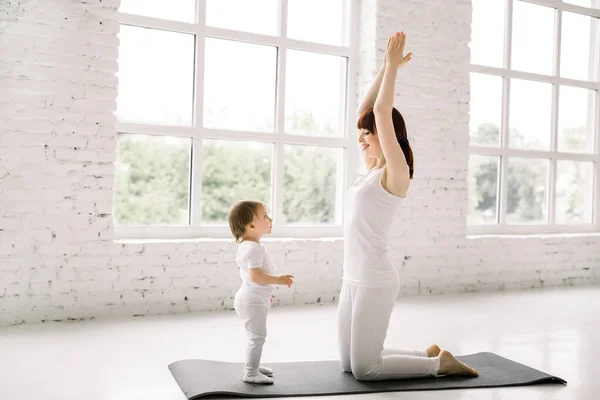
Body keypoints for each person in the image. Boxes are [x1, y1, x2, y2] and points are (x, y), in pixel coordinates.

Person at [337, 31, 479, 381]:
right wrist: (386, 70)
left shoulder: (395, 172)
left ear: (385, 136)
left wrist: (392, 68)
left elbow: (382, 111)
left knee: (366, 370)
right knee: (347, 366)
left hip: (375, 279)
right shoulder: (369, 171)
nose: (360, 139)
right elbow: (366, 111)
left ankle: (438, 365)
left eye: (367, 135)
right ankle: (427, 352)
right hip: (350, 278)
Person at [228, 200, 294, 384]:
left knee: (254, 336)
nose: (270, 218)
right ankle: (250, 372)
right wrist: (278, 280)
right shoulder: (254, 248)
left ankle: (253, 365)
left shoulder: (246, 246)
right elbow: (256, 276)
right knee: (258, 336)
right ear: (251, 225)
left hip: (251, 298)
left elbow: (251, 278)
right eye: (265, 216)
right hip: (252, 300)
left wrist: (266, 292)